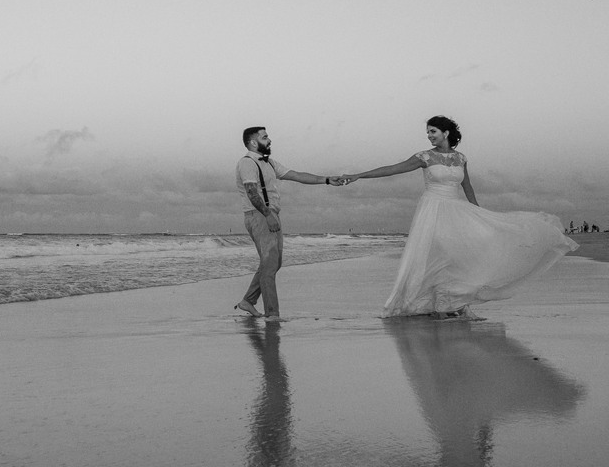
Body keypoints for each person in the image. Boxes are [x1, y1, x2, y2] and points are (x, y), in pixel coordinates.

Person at [343, 116, 577, 318]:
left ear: (446, 132)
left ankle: (459, 305)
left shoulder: (461, 158)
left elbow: (468, 186)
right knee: (439, 256)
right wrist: (358, 176)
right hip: (433, 209)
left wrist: (478, 213)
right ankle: (439, 306)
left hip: (457, 209)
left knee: (462, 257)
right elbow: (393, 168)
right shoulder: (424, 157)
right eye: (427, 132)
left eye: (433, 132)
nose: (429, 136)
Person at [235, 126, 344, 319]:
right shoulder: (247, 163)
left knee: (274, 263)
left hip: (270, 213)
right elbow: (252, 192)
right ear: (253, 142)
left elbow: (296, 175)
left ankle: (248, 301)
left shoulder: (269, 163)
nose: (269, 140)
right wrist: (267, 215)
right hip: (259, 214)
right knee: (269, 266)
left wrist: (327, 180)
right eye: (265, 137)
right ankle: (272, 314)